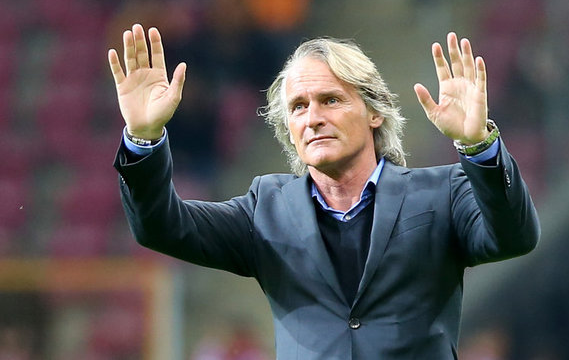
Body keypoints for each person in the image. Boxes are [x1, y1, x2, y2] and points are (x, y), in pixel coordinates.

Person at [109, 24, 540, 359]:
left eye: (330, 100)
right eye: (298, 106)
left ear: (374, 112)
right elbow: (161, 227)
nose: (313, 117)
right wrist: (144, 138)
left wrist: (478, 145)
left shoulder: (442, 192)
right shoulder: (266, 208)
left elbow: (514, 237)